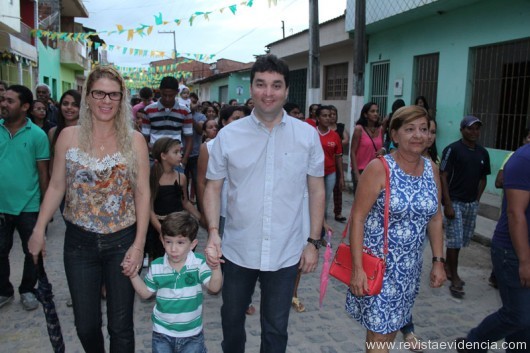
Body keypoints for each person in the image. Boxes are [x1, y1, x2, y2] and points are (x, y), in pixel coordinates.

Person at [203, 54, 325, 353]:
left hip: (285, 250)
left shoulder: (307, 136)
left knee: (276, 327)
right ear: (251, 89)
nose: (268, 93)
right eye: (261, 85)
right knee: (231, 319)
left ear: (286, 91)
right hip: (237, 249)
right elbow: (212, 188)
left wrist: (313, 241)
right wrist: (213, 232)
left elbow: (317, 189)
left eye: (276, 85)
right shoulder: (228, 136)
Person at [28, 65, 150, 353]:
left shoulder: (134, 141)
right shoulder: (68, 137)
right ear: (88, 96)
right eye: (99, 93)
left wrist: (139, 245)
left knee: (121, 327)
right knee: (85, 325)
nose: (106, 101)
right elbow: (57, 186)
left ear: (122, 99)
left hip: (122, 240)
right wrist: (38, 229)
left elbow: (143, 193)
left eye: (113, 95)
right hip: (79, 244)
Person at [346, 105, 446, 353]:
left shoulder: (431, 169)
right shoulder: (379, 168)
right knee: (379, 337)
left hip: (409, 271)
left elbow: (435, 218)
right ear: (395, 134)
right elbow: (357, 218)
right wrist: (357, 269)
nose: (418, 135)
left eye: (424, 129)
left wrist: (438, 260)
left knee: (387, 333)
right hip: (378, 267)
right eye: (410, 129)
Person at [456, 141, 530, 353]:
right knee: (518, 315)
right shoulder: (523, 160)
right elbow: (515, 213)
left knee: (525, 319)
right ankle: (473, 343)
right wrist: (524, 261)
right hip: (513, 251)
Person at [128, 211, 222, 353]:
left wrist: (215, 267)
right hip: (162, 334)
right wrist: (133, 275)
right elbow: (145, 293)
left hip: (192, 335)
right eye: (168, 242)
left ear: (192, 244)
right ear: (162, 240)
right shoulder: (157, 266)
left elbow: (214, 287)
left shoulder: (198, 263)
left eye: (180, 242)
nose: (173, 249)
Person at [0, 85, 50, 311]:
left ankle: (28, 289)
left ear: (25, 107)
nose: (3, 104)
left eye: (10, 101)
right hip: (1, 205)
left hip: (28, 205)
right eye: (3, 100)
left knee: (32, 251)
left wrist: (44, 207)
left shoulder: (37, 135)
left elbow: (42, 173)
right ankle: (4, 290)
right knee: (0, 250)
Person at [440, 115, 491, 298]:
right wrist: (447, 203)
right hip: (455, 202)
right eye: (470, 128)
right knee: (454, 240)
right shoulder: (452, 149)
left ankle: (448, 266)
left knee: (461, 240)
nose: (474, 132)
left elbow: (483, 179)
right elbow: (443, 176)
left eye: (477, 128)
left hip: (471, 204)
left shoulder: (482, 153)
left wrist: (476, 200)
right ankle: (454, 277)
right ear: (462, 130)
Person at [147, 137, 201, 261]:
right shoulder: (152, 178)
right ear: (163, 156)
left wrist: (201, 218)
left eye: (180, 151)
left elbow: (185, 202)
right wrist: (162, 230)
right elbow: (149, 210)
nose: (180, 155)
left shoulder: (181, 177)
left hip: (179, 226)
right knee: (160, 261)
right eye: (176, 152)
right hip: (159, 227)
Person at [142, 76, 193, 168]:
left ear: (177, 92)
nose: (167, 98)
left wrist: (184, 160)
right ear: (160, 91)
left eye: (171, 95)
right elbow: (145, 137)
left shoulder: (185, 111)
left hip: (176, 159)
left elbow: (189, 138)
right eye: (164, 95)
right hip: (154, 159)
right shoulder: (148, 110)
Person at [350, 102, 385, 193]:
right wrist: (356, 173)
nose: (376, 114)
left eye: (377, 111)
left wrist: (383, 150)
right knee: (361, 201)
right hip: (362, 170)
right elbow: (353, 152)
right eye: (372, 111)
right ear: (365, 114)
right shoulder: (359, 129)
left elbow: (383, 146)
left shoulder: (380, 129)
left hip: (376, 169)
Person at [48, 90, 81, 175]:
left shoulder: (87, 132)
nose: (69, 107)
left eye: (75, 105)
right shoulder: (53, 132)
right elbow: (51, 166)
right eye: (65, 104)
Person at [329, 105, 350, 222]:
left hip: (338, 160)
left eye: (334, 114)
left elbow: (346, 140)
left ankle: (338, 212)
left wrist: (333, 143)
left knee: (338, 188)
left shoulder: (340, 127)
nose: (332, 117)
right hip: (325, 162)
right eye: (329, 114)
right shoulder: (322, 128)